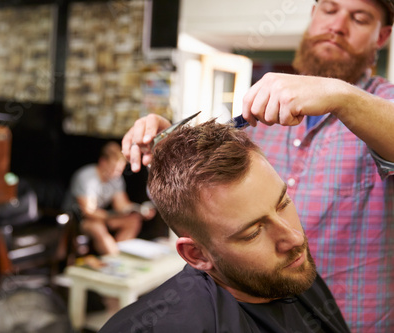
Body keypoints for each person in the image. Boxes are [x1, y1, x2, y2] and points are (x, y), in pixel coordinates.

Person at [121, 1, 394, 332]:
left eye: (359, 18)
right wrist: (170, 139)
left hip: (355, 318)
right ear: (313, 16)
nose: (337, 25)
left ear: (382, 36)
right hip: (265, 308)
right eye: (329, 9)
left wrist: (339, 95)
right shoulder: (270, 107)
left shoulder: (381, 109)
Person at [101, 120, 350, 332]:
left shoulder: (290, 271)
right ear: (196, 255)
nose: (294, 238)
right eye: (253, 232)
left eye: (283, 203)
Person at [63, 141, 155, 255]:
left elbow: (121, 205)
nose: (116, 174)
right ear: (103, 162)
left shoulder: (116, 178)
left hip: (102, 216)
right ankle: (114, 257)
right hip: (76, 219)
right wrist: (111, 216)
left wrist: (139, 209)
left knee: (133, 221)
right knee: (97, 228)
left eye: (119, 170)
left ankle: (119, 253)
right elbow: (88, 212)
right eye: (113, 169)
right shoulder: (87, 178)